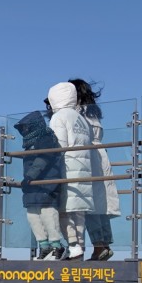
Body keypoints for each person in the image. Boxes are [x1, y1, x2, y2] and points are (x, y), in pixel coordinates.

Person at [70, 78, 120, 261]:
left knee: (86, 203)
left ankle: (92, 247)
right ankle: (103, 245)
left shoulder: (75, 112)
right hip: (101, 156)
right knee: (101, 204)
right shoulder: (93, 112)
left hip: (86, 156)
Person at [46, 81, 96, 260]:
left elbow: (57, 146)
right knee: (79, 212)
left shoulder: (59, 117)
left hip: (67, 171)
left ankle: (73, 246)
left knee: (64, 211)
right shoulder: (81, 118)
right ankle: (80, 247)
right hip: (84, 171)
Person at [13, 111, 67, 259]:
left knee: (48, 214)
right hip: (33, 185)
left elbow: (44, 157)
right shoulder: (31, 142)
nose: (24, 131)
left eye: (26, 128)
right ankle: (44, 246)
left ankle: (57, 246)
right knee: (33, 216)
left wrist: (30, 175)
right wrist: (29, 178)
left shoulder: (46, 138)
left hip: (46, 184)